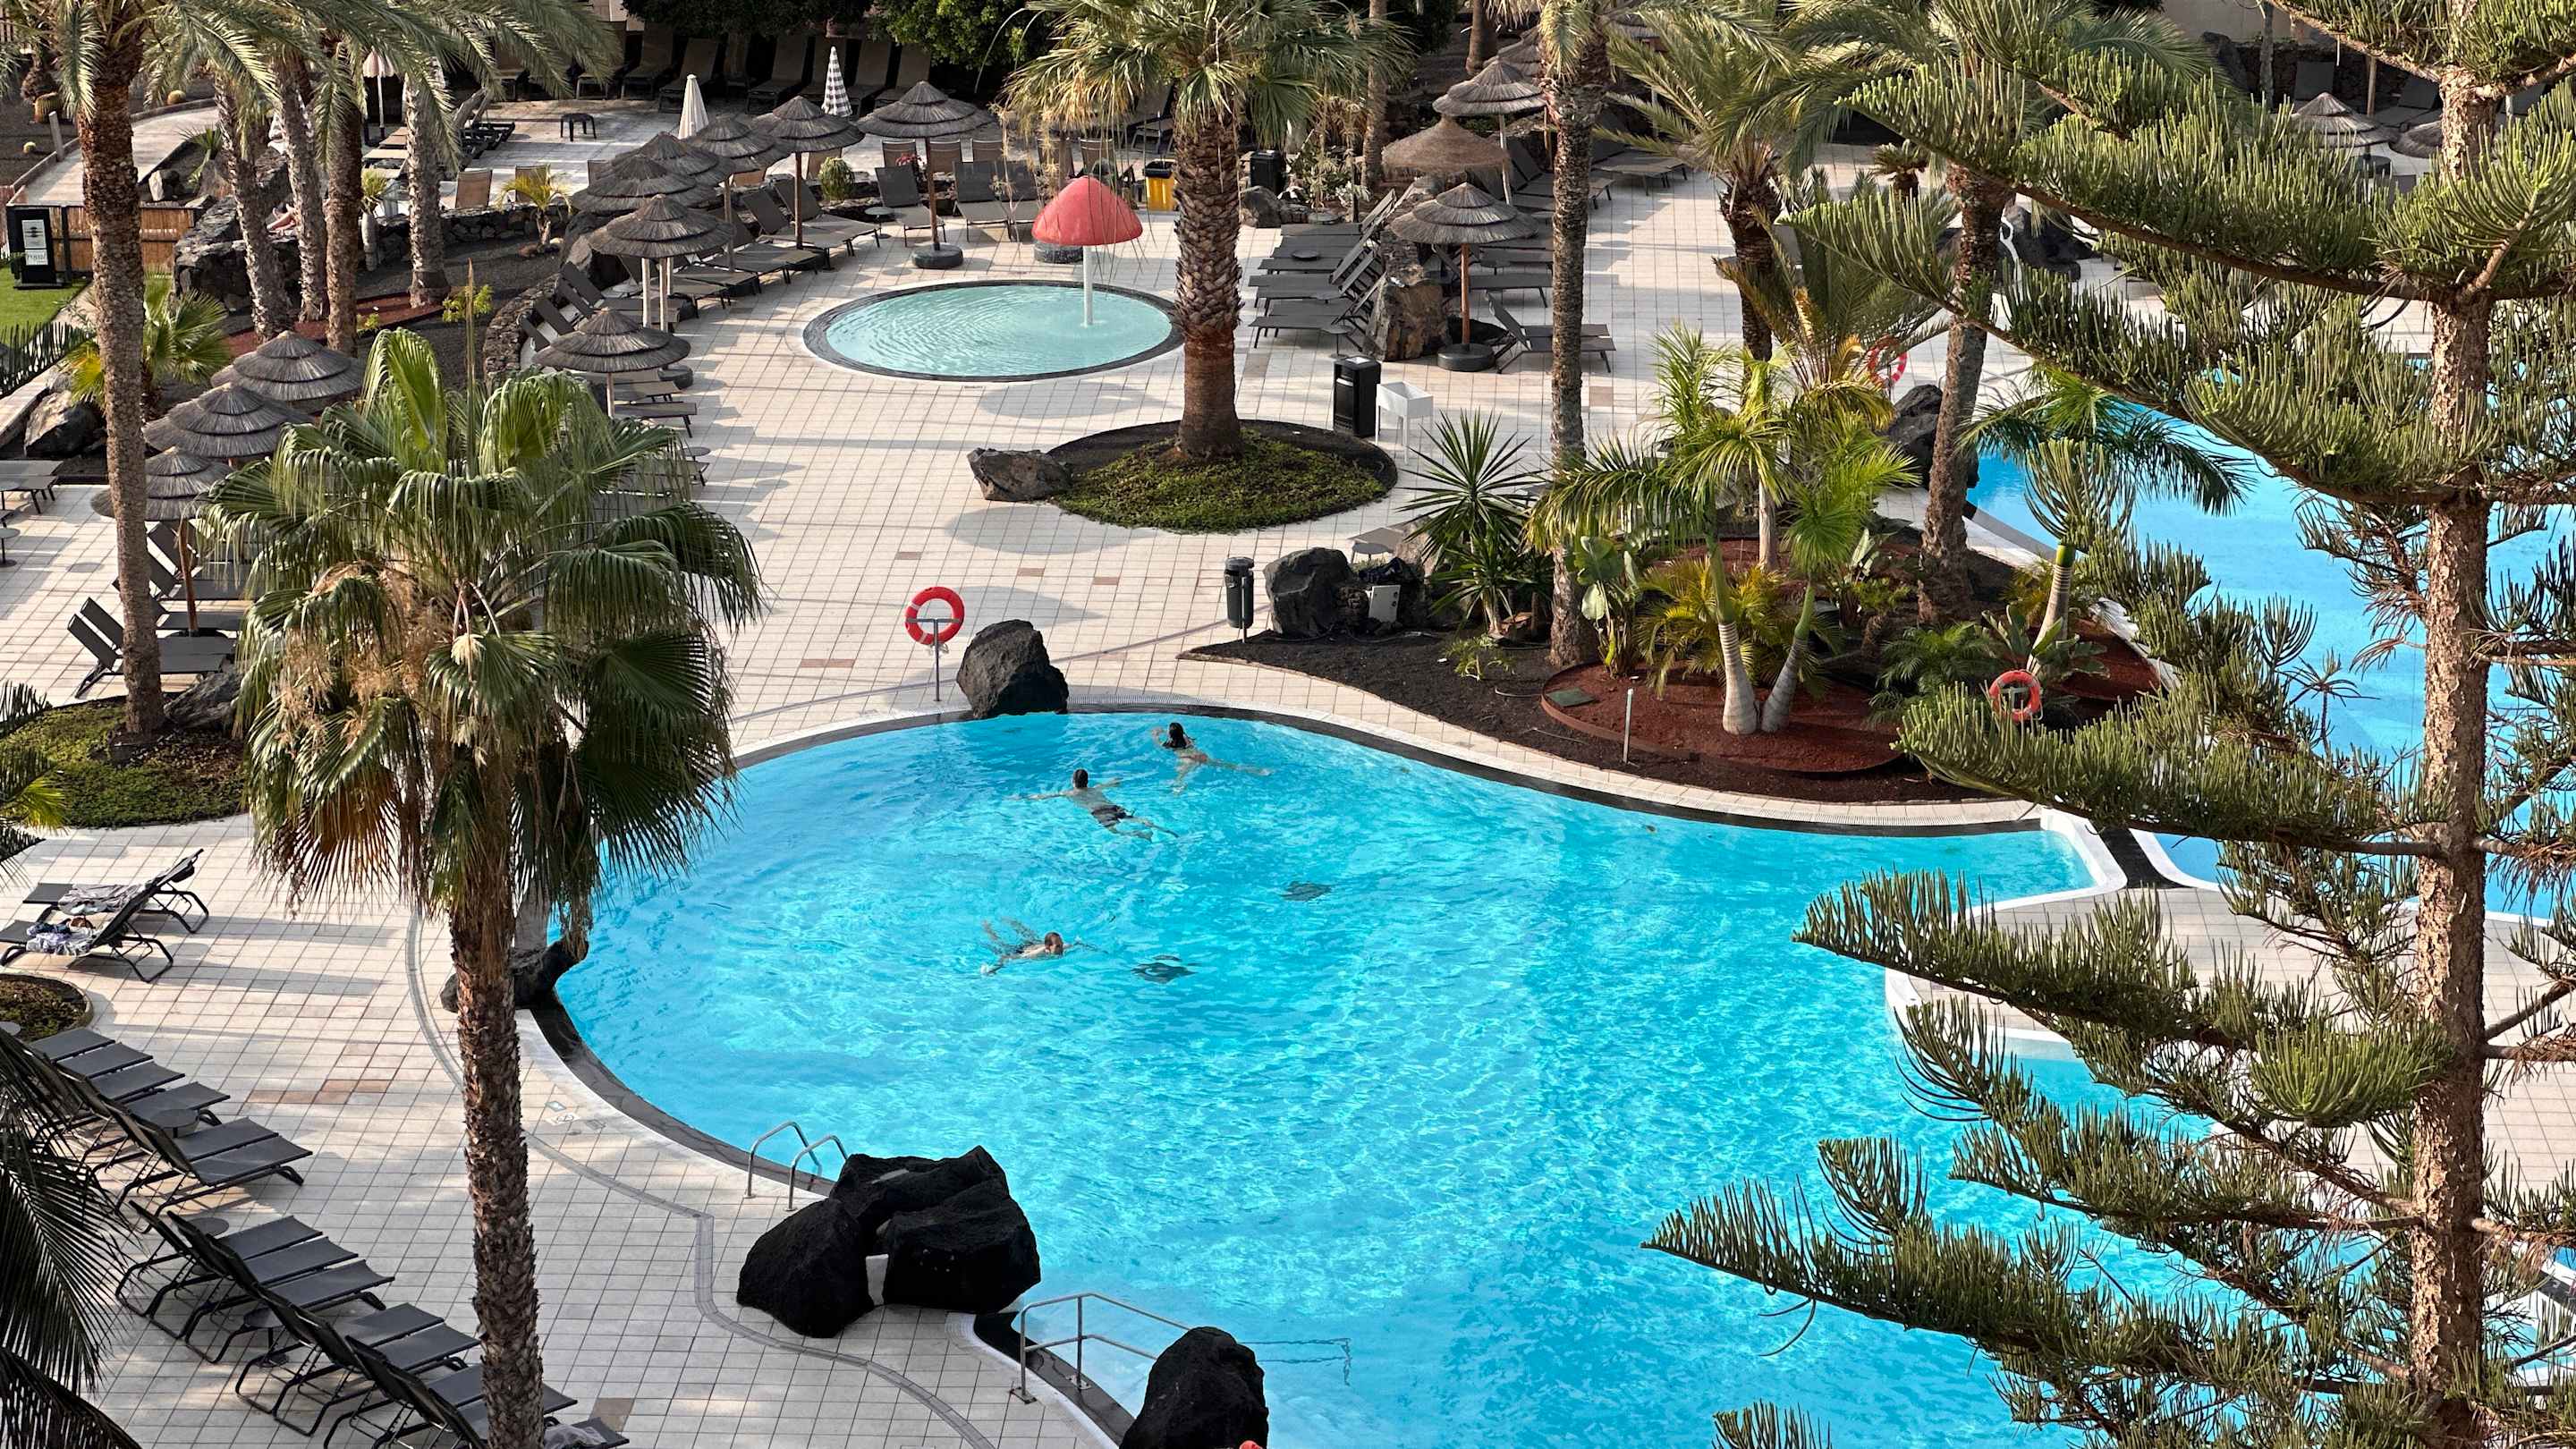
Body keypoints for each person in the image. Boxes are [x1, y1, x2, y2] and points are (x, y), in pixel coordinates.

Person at [1016, 769, 1173, 836]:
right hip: (1113, 806)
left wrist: (1024, 798)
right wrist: (1117, 780)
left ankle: (1139, 834)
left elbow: (1044, 796)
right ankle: (1159, 828)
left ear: (1073, 782)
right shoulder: (1095, 788)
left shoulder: (1068, 793)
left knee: (1115, 832)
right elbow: (1111, 783)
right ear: (1087, 781)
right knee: (1136, 819)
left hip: (1100, 812)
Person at [1157, 723, 1270, 792]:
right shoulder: (1186, 737)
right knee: (1223, 764)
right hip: (1199, 755)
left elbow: (1159, 743)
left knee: (1180, 776)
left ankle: (1177, 791)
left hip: (1187, 759)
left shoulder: (1169, 743)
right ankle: (1254, 770)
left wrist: (1155, 735)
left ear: (1170, 734)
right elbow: (1188, 741)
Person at [982, 919, 1079, 975]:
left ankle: (1011, 921)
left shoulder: (1063, 947)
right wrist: (993, 969)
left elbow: (1075, 944)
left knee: (1029, 934)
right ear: (1048, 947)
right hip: (1022, 950)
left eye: (1061, 944)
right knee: (1000, 943)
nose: (1061, 948)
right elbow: (1008, 958)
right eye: (1058, 946)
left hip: (1035, 944)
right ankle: (988, 929)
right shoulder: (1037, 954)